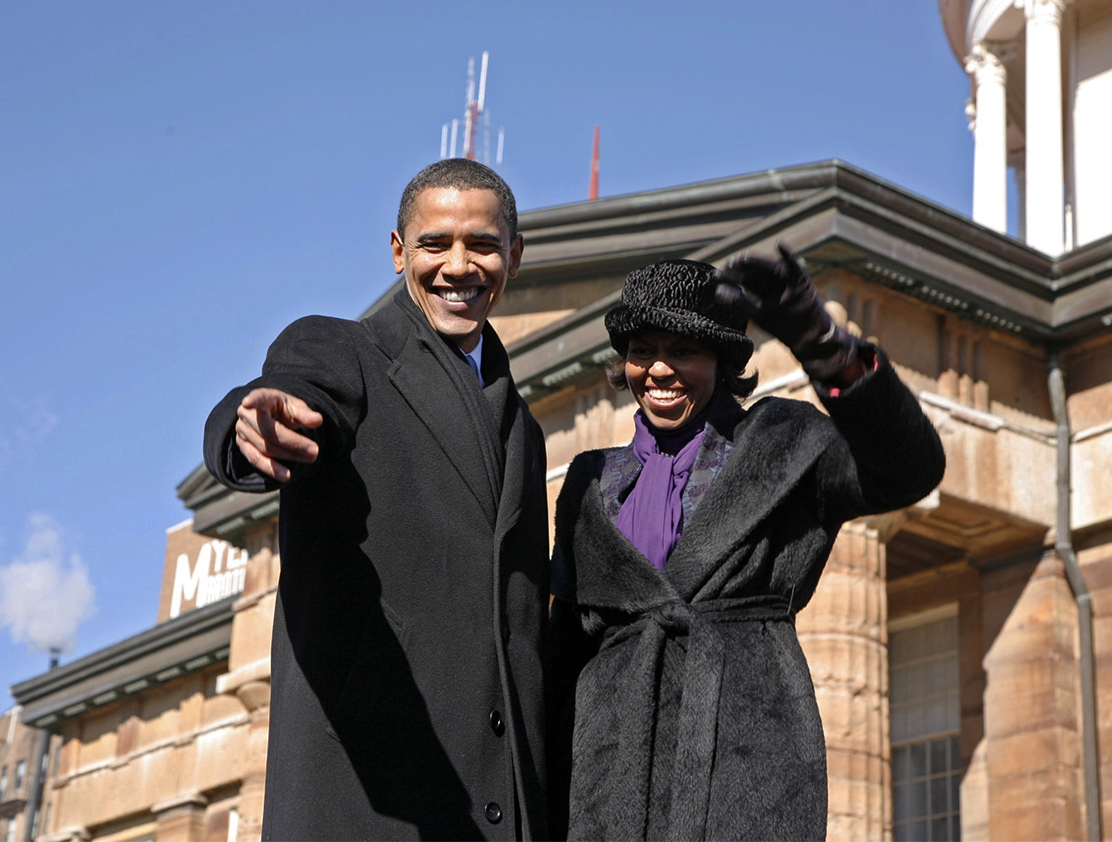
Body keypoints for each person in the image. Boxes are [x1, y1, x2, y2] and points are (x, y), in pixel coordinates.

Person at [204, 159, 550, 840]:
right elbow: (293, 392)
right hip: (368, 804)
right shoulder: (343, 351)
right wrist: (255, 423)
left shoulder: (525, 430)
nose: (459, 265)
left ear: (513, 255)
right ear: (398, 253)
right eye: (434, 244)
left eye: (481, 244)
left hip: (498, 812)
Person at [546, 253, 945, 841]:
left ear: (722, 358)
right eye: (642, 350)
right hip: (608, 785)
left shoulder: (785, 444)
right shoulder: (588, 481)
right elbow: (561, 660)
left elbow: (908, 470)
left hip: (747, 764)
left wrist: (823, 344)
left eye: (682, 351)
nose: (658, 369)